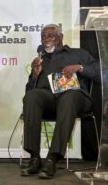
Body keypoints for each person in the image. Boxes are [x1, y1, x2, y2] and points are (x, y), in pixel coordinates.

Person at [21, 24, 100, 179]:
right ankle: (34, 158)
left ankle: (52, 158)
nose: (46, 39)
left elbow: (99, 73)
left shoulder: (79, 54)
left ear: (60, 37)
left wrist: (80, 67)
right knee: (32, 96)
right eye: (43, 36)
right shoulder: (40, 60)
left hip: (76, 97)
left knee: (68, 97)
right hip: (49, 100)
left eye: (50, 35)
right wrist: (35, 76)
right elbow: (30, 91)